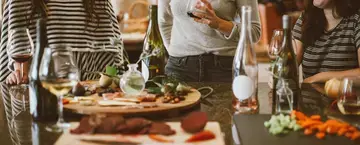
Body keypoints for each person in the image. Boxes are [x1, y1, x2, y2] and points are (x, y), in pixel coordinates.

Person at [1, 0, 125, 85]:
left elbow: (112, 58)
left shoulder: (99, 2)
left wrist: (107, 90)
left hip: (90, 93)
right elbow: (20, 64)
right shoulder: (19, 2)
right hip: (42, 90)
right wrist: (18, 76)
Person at [158, 0, 261, 82]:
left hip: (224, 68)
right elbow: (164, 22)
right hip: (179, 68)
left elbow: (254, 32)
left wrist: (219, 24)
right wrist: (173, 51)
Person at [292, 0, 360, 83]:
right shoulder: (306, 18)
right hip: (309, 96)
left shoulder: (357, 20)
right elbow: (290, 63)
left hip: (344, 96)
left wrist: (319, 78)